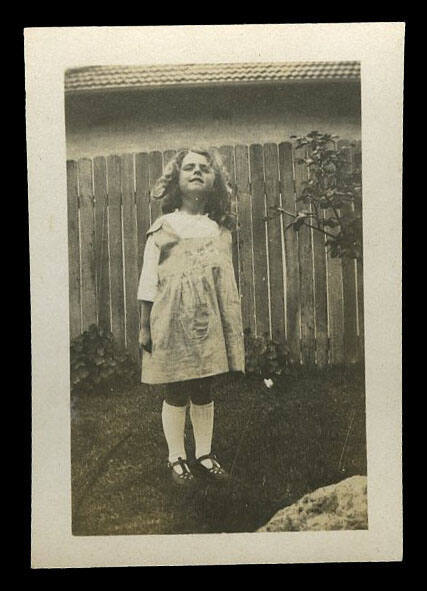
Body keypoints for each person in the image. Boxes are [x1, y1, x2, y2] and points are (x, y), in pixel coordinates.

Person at [137, 148, 245, 487]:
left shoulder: (218, 229)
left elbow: (223, 281)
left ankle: (204, 453)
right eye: (189, 168)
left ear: (214, 181)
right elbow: (148, 278)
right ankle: (176, 457)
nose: (197, 172)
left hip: (206, 319)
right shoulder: (164, 226)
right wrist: (144, 324)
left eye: (204, 168)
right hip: (171, 317)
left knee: (203, 384)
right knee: (176, 386)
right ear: (176, 181)